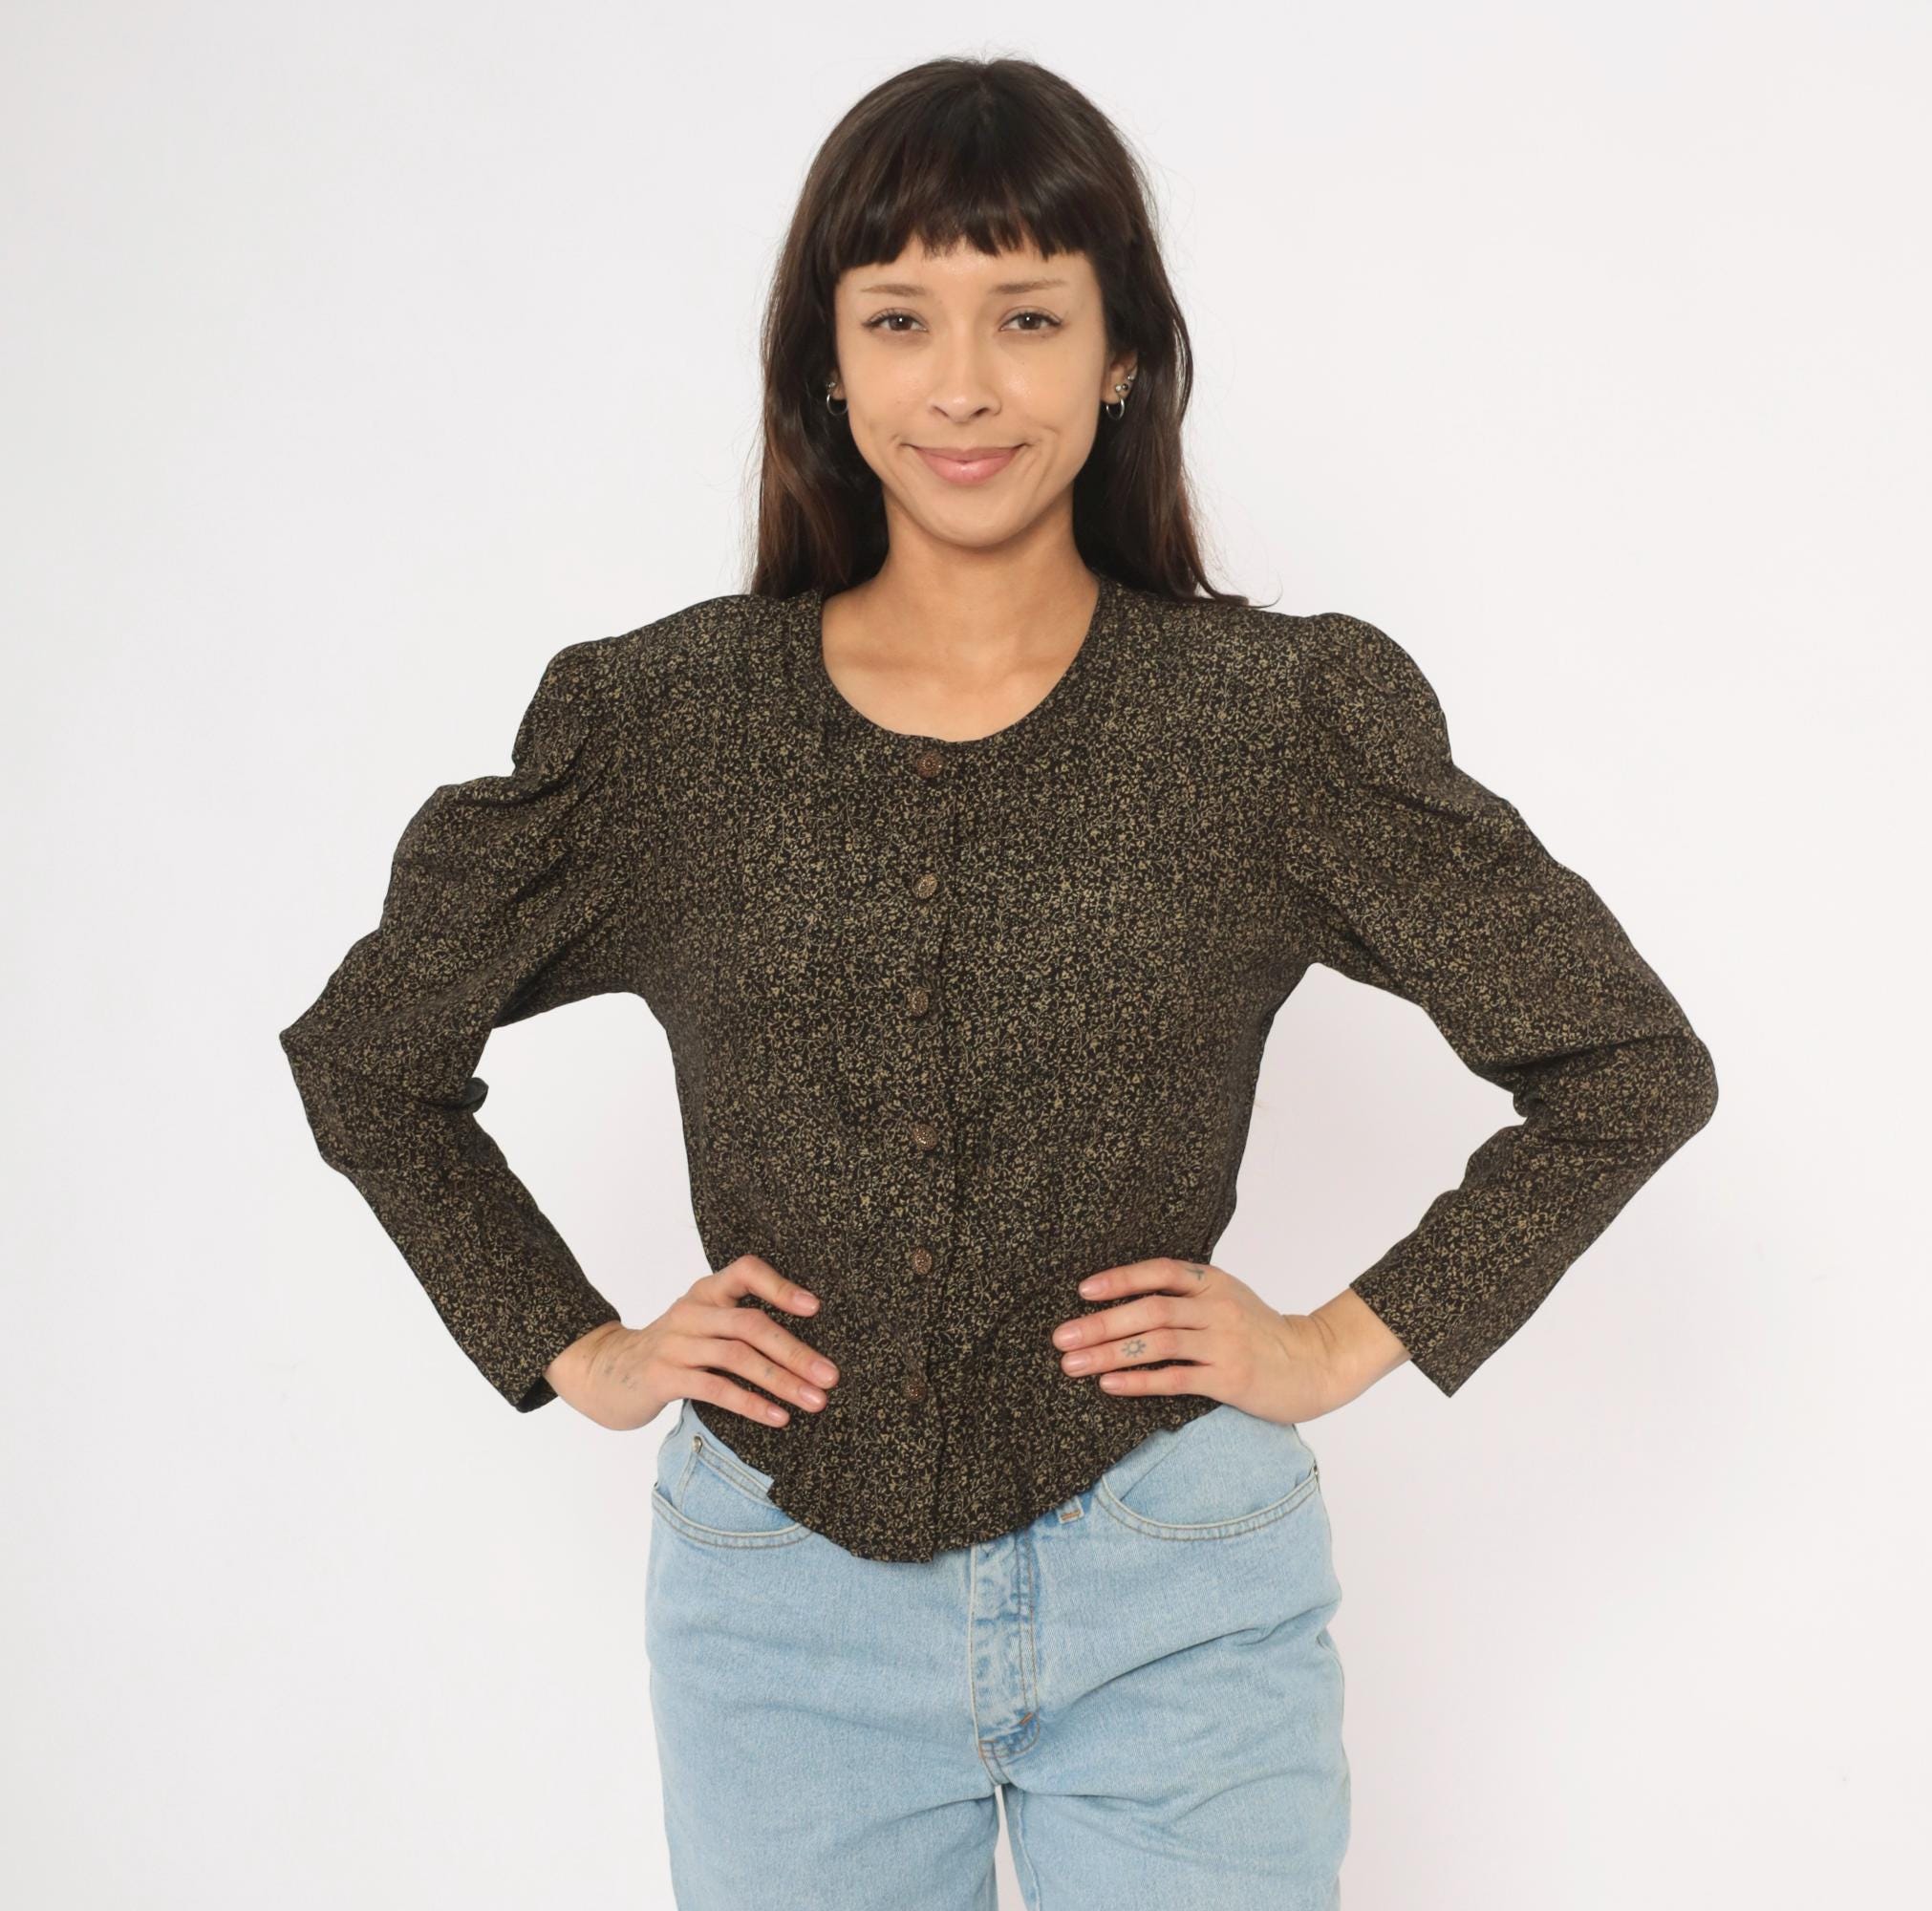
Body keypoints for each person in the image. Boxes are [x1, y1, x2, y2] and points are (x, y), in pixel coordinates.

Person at [277, 54, 1717, 1910]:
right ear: (827, 362)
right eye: (900, 319)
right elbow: (372, 1056)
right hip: (778, 1611)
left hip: (1178, 1581)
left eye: (1027, 316)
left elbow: (1622, 1064)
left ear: (1120, 356)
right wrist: (582, 1349)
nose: (962, 385)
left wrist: (1331, 1342)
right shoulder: (665, 728)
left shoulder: (1269, 720)